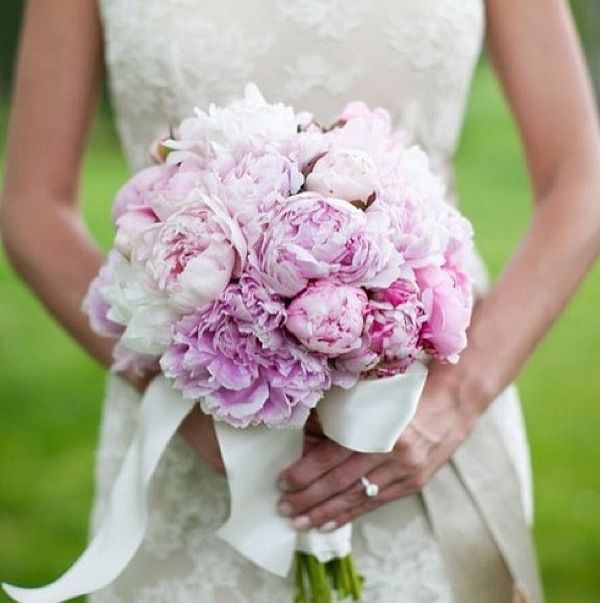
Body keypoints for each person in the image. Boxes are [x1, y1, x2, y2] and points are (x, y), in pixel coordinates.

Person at [2, 1, 600, 601]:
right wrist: (179, 386)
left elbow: (580, 177)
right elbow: (34, 205)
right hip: (188, 424)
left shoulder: (446, 408)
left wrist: (454, 402)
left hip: (428, 414)